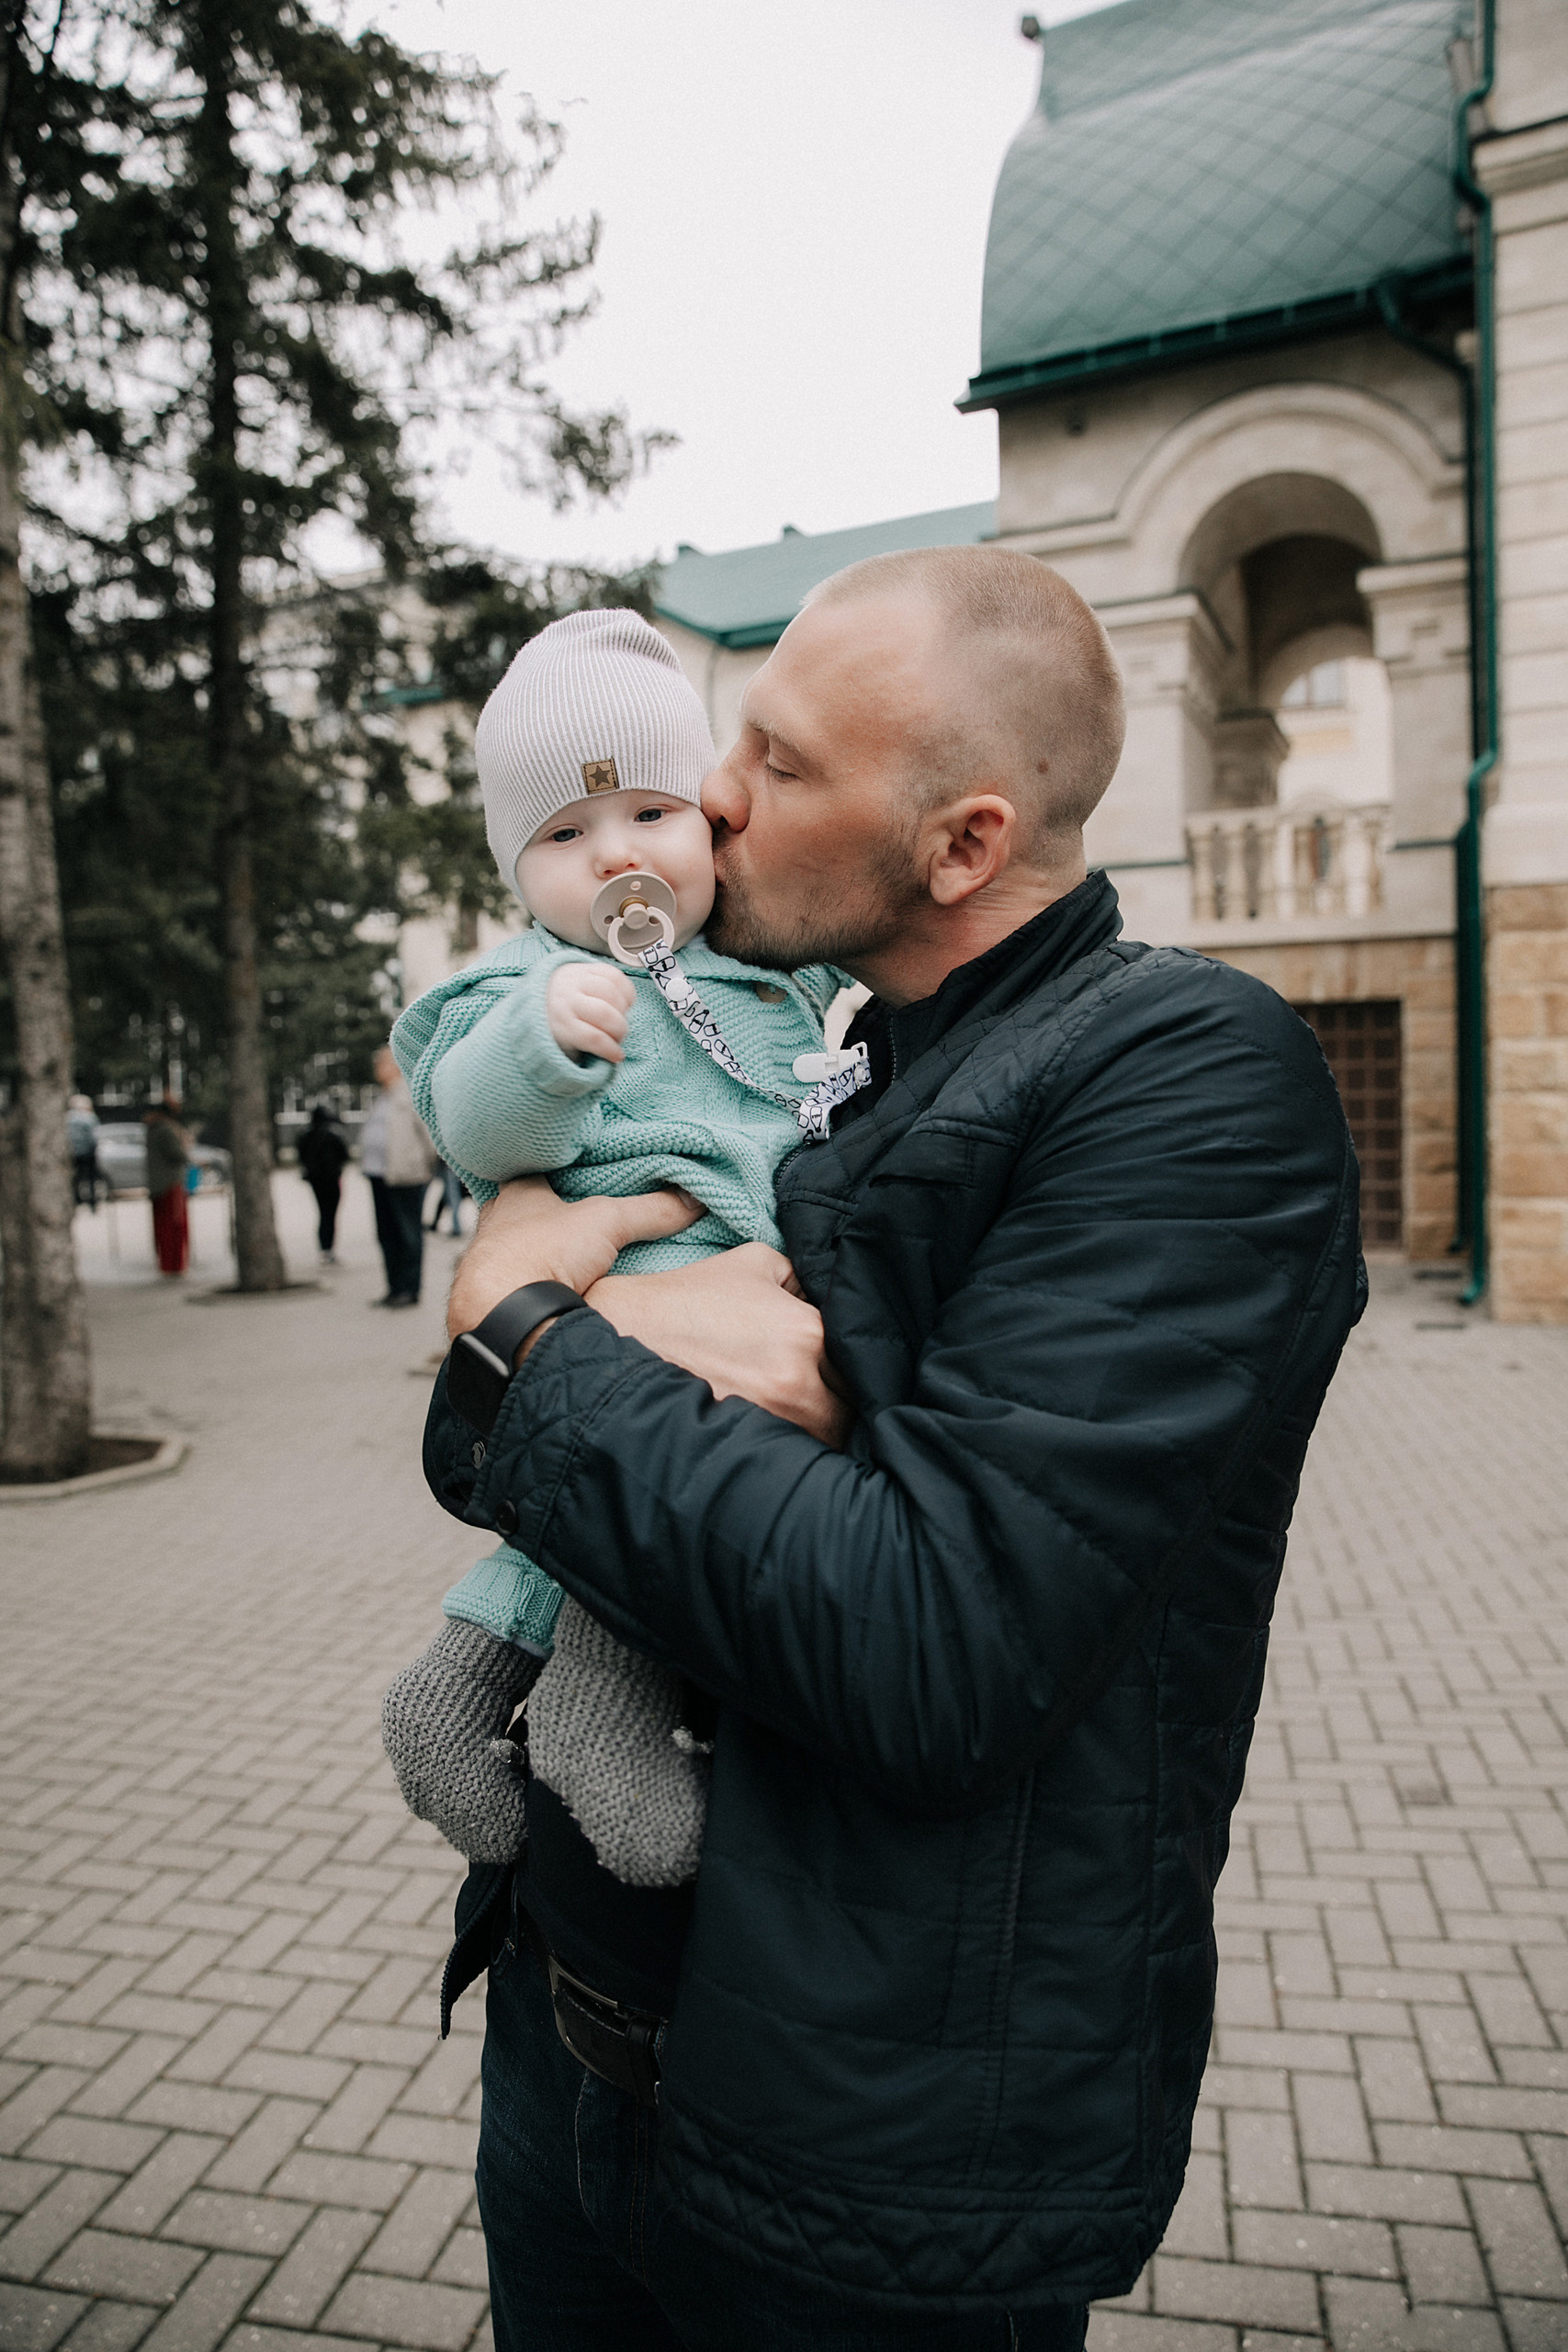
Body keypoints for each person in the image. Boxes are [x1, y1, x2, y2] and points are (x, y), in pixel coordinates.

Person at [417, 548, 1365, 2350]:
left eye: (774, 762)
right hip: (567, 2040)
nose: (707, 797)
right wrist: (572, 1344)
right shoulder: (829, 1055)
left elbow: (934, 1630)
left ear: (960, 843)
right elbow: (484, 1419)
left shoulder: (1175, 1079)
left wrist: (543, 1331)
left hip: (858, 2192)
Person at [381, 609, 851, 1881]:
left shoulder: (769, 974)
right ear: (516, 871)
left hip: (724, 1320)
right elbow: (470, 1123)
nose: (614, 858)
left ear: (705, 821)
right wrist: (541, 1040)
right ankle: (593, 1731)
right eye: (564, 836)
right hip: (634, 1308)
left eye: (648, 815)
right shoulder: (515, 986)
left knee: (594, 1531)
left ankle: (447, 1702)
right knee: (638, 1535)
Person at [361, 1045, 436, 1306]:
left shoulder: (409, 1092)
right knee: (386, 1234)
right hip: (378, 1175)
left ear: (393, 1065)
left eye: (380, 1064)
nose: (376, 1069)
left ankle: (409, 1290)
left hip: (406, 1176)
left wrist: (426, 1167)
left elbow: (429, 1136)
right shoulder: (383, 1096)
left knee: (408, 1234)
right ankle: (393, 1289)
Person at [142, 1097, 191, 1277]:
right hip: (170, 1182)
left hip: (156, 1184)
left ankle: (165, 1262)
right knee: (175, 1226)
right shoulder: (166, 1130)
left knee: (162, 1226)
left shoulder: (151, 1129)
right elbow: (178, 1154)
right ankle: (175, 1265)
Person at [297, 1102, 350, 1265]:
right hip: (332, 1179)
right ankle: (329, 1248)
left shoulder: (306, 1135)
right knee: (330, 1214)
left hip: (315, 1180)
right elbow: (345, 1155)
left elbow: (301, 1156)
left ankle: (324, 1248)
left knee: (322, 1213)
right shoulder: (332, 1135)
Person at [67, 1094, 100, 1210]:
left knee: (75, 1178)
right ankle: (92, 1202)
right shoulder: (89, 1117)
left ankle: (77, 1200)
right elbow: (94, 1136)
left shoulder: (67, 1118)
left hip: (73, 1152)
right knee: (91, 1178)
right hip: (88, 1152)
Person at [426, 1159, 468, 1236]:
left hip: (449, 1164)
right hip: (448, 1164)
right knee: (448, 1194)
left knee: (452, 1195)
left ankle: (456, 1227)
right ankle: (436, 1223)